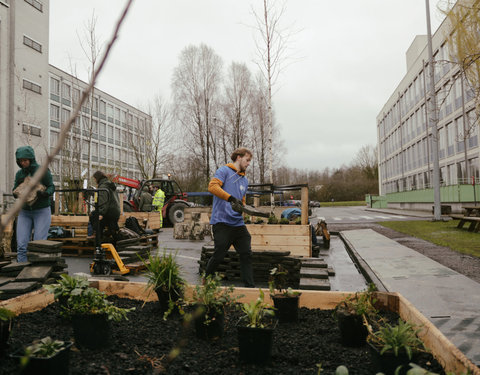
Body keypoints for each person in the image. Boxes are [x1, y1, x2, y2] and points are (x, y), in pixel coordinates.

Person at [205, 147, 255, 288]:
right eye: (247, 160)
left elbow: (242, 200)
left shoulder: (244, 181)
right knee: (219, 255)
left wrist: (244, 208)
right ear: (238, 157)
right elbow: (212, 187)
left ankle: (249, 286)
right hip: (222, 222)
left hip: (238, 224)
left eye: (250, 161)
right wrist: (230, 198)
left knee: (246, 253)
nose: (248, 163)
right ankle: (206, 278)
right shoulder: (224, 171)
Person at [12, 146, 55, 263]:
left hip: (41, 210)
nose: (23, 163)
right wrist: (15, 193)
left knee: (38, 244)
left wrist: (46, 193)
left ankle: (37, 271)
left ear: (31, 159)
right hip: (25, 211)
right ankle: (21, 270)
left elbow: (51, 186)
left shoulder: (42, 171)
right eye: (21, 161)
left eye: (25, 160)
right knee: (21, 244)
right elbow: (14, 188)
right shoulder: (19, 174)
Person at [88, 171, 120, 241]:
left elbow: (104, 201)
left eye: (94, 179)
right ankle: (103, 236)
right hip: (115, 212)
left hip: (109, 212)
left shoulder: (103, 186)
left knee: (93, 216)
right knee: (106, 225)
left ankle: (97, 236)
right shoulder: (109, 184)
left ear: (97, 178)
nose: (95, 181)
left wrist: (101, 213)